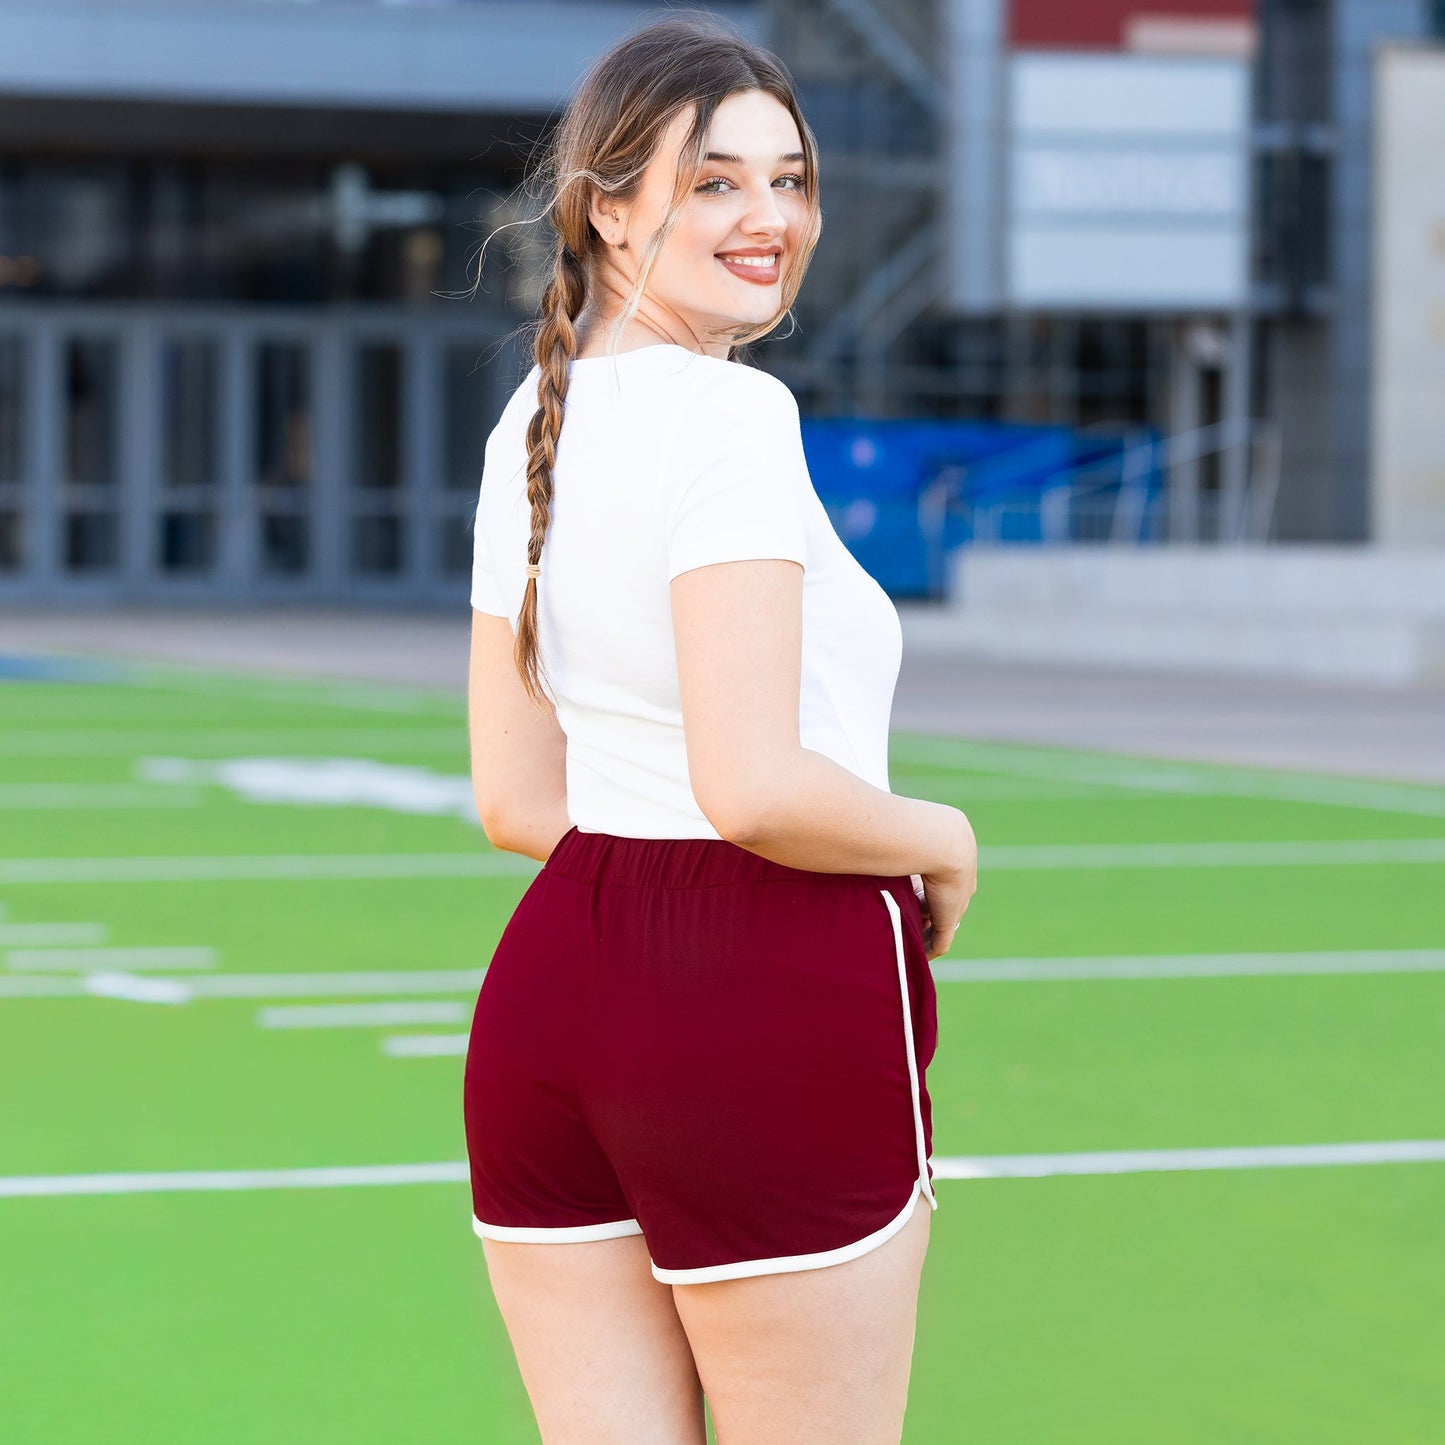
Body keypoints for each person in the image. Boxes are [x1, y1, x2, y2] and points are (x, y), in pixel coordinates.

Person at [463, 13, 978, 1443]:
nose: (770, 219)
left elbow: (514, 798)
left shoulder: (534, 420)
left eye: (790, 178)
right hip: (765, 990)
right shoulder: (732, 418)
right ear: (609, 208)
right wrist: (943, 834)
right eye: (714, 182)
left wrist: (645, 928)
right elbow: (750, 786)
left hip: (555, 996)